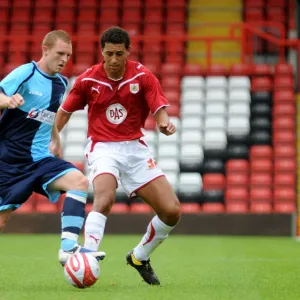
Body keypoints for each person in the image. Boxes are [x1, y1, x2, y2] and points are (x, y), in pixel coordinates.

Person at [56, 26, 181, 285]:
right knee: (105, 196)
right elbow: (63, 113)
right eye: (109, 53)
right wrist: (52, 140)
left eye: (119, 54)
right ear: (102, 52)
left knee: (171, 211)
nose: (114, 60)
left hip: (134, 149)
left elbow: (159, 109)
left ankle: (139, 256)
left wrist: (164, 123)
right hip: (102, 147)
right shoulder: (88, 80)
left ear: (128, 52)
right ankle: (88, 254)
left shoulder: (143, 76)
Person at [0, 30, 105, 266]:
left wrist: (56, 139)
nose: (64, 59)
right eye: (59, 53)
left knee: (79, 181)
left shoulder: (60, 83)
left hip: (39, 160)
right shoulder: (26, 73)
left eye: (68, 55)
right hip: (9, 161)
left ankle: (68, 247)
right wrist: (8, 101)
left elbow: (49, 115)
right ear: (45, 50)